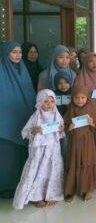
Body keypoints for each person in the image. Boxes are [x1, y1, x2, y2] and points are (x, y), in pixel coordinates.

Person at [13, 90, 65, 209]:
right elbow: (25, 132)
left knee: (52, 171)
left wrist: (62, 129)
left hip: (53, 149)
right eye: (45, 101)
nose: (49, 104)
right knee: (37, 171)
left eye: (52, 101)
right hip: (39, 151)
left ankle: (51, 194)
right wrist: (34, 131)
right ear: (39, 102)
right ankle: (36, 197)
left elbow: (61, 130)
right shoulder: (36, 116)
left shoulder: (56, 114)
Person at [0, 42, 36, 199]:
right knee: (7, 157)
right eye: (14, 52)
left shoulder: (23, 71)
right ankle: (4, 187)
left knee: (21, 155)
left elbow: (30, 96)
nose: (18, 55)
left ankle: (20, 187)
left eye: (20, 52)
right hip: (5, 123)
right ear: (6, 53)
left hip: (22, 119)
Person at [64, 85, 96, 202]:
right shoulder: (70, 110)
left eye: (83, 97)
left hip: (88, 142)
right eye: (76, 98)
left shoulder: (92, 108)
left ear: (87, 98)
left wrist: (92, 124)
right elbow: (64, 127)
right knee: (74, 162)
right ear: (72, 98)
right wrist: (69, 128)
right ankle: (73, 189)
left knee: (86, 161)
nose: (79, 100)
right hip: (74, 142)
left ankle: (87, 189)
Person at [74, 52, 96, 172]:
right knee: (87, 144)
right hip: (84, 115)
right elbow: (77, 98)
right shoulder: (80, 77)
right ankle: (86, 168)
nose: (94, 64)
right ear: (85, 62)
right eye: (91, 61)